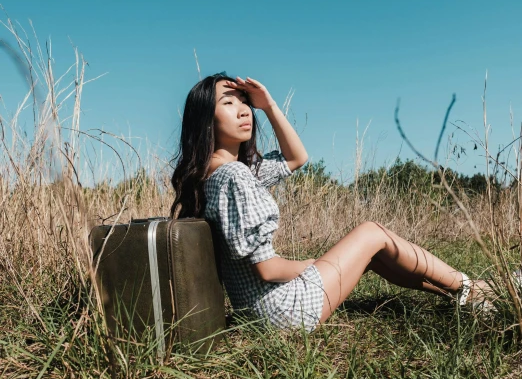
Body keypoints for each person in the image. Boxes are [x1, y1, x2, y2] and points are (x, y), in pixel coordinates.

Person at [170, 73, 491, 332]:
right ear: (205, 119)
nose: (243, 109)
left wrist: (267, 106)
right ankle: (473, 288)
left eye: (245, 102)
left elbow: (297, 158)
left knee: (375, 256)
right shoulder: (235, 177)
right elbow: (267, 271)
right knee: (371, 233)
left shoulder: (214, 175)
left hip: (254, 312)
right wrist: (317, 264)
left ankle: (465, 294)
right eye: (228, 102)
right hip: (282, 311)